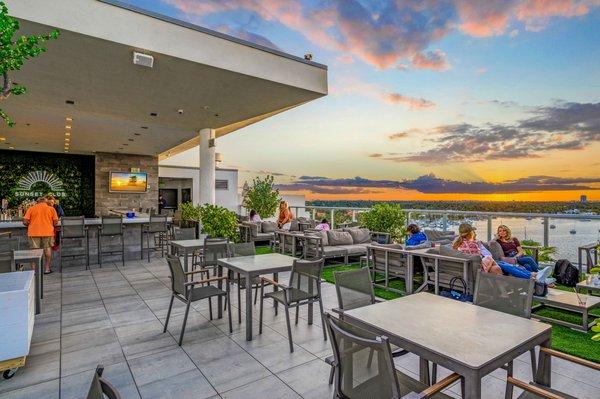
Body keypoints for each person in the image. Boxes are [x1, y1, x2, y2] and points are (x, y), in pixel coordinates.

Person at [453, 223, 552, 282]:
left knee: (507, 264)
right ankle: (533, 276)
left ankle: (534, 275)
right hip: (482, 265)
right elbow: (488, 254)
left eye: (504, 230)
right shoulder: (474, 244)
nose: (475, 233)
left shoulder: (459, 244)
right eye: (473, 231)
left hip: (483, 263)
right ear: (471, 233)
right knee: (506, 264)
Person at [23, 197, 59, 274]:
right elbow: (56, 222)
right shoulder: (51, 209)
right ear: (46, 202)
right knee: (47, 249)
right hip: (48, 232)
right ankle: (47, 269)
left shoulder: (31, 208)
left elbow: (25, 221)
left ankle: (34, 271)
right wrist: (49, 224)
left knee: (34, 250)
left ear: (37, 202)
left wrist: (32, 224)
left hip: (34, 232)